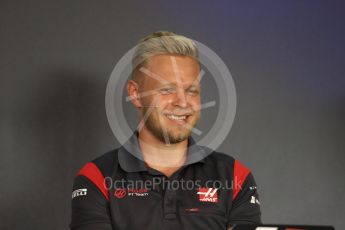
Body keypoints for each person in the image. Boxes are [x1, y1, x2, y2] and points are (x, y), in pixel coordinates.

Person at [70, 31, 261, 230]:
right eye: (167, 90)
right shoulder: (96, 178)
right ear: (135, 94)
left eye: (191, 91)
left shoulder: (235, 177)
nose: (182, 102)